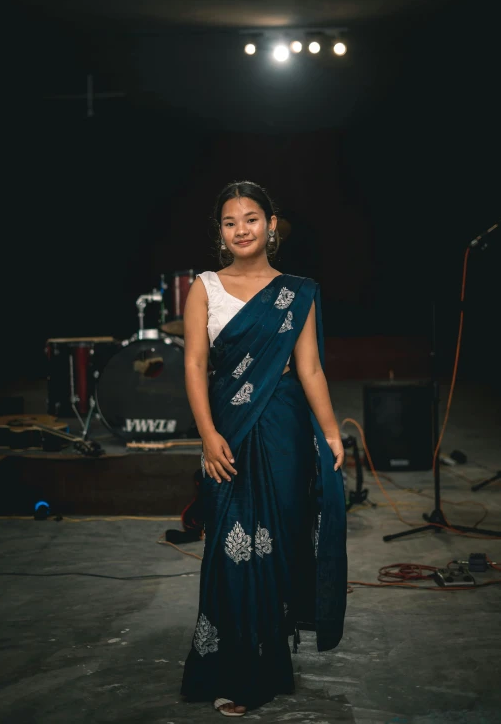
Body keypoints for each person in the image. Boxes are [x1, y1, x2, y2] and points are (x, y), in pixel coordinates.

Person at [180, 180, 347, 716]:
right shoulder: (205, 286)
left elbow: (310, 368)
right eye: (230, 222)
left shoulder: (296, 292)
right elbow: (195, 365)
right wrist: (207, 433)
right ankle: (228, 669)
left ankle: (267, 666)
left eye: (251, 218)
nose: (241, 229)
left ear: (271, 225)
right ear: (220, 233)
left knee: (276, 547)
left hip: (283, 433)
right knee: (229, 550)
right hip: (226, 431)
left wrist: (331, 432)